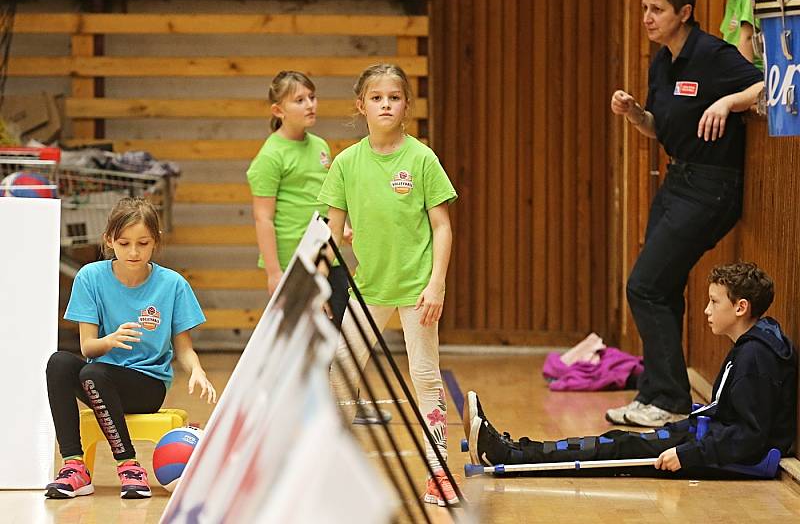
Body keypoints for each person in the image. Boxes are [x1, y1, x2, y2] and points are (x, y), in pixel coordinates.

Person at [608, 0, 764, 428]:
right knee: (662, 288)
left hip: (712, 186)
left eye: (657, 10)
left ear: (685, 12)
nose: (648, 18)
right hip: (678, 180)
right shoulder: (662, 60)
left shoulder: (712, 54)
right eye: (645, 9)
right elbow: (661, 126)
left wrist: (727, 102)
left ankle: (670, 399)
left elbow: (765, 83)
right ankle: (658, 394)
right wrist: (637, 114)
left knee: (643, 285)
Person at [466, 262, 797, 475]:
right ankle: (517, 449)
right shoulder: (753, 347)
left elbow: (749, 437)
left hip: (726, 456)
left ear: (741, 307)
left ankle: (507, 455)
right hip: (709, 438)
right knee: (618, 440)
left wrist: (688, 454)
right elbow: (736, 418)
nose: (707, 310)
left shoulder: (755, 357)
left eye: (714, 301)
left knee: (616, 448)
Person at [318, 63, 458, 506]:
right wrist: (319, 286)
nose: (385, 105)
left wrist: (436, 284)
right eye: (376, 98)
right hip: (369, 288)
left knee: (425, 377)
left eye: (394, 98)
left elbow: (442, 227)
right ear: (361, 105)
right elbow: (329, 230)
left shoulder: (421, 158)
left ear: (406, 106)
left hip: (418, 290)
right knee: (340, 370)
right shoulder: (345, 163)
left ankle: (440, 473)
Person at [45, 197, 217, 500]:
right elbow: (88, 346)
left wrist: (198, 371)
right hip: (96, 379)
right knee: (59, 362)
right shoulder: (90, 277)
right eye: (124, 243)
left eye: (143, 243)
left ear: (156, 242)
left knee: (93, 373)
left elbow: (184, 349)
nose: (133, 252)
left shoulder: (172, 284)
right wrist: (110, 341)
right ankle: (74, 467)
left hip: (146, 385)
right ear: (109, 240)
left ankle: (128, 466)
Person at [246, 70, 350, 324]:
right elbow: (263, 218)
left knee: (339, 327)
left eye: (312, 97)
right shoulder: (271, 156)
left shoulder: (320, 146)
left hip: (327, 253)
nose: (310, 105)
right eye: (299, 100)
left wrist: (341, 226)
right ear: (278, 110)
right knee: (302, 338)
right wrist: (274, 272)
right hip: (294, 261)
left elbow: (325, 197)